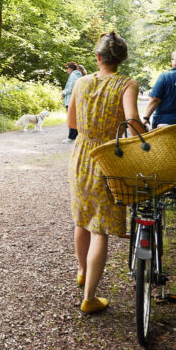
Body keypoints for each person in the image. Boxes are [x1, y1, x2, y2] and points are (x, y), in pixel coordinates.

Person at [67, 31, 145, 315]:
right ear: (121, 59)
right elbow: (132, 120)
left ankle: (82, 271)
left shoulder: (81, 82)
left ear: (98, 57)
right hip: (108, 157)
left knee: (82, 218)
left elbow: (72, 121)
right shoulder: (127, 84)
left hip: (81, 155)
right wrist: (144, 139)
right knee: (100, 228)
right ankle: (89, 297)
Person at [61, 62, 86, 143]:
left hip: (71, 100)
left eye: (67, 68)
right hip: (74, 99)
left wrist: (63, 92)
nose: (66, 70)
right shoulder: (76, 75)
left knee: (72, 118)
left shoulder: (73, 76)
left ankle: (71, 138)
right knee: (75, 118)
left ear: (71, 68)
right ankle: (76, 137)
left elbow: (71, 88)